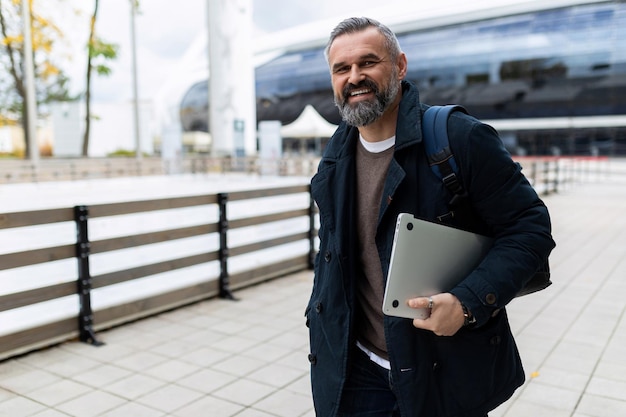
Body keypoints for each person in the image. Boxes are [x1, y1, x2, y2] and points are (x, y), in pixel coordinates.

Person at [306, 17, 555, 417]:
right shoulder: (336, 155)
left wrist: (467, 302)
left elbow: (530, 229)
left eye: (368, 63)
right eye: (342, 68)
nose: (355, 77)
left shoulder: (459, 136)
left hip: (441, 366)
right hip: (356, 370)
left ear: (400, 66)